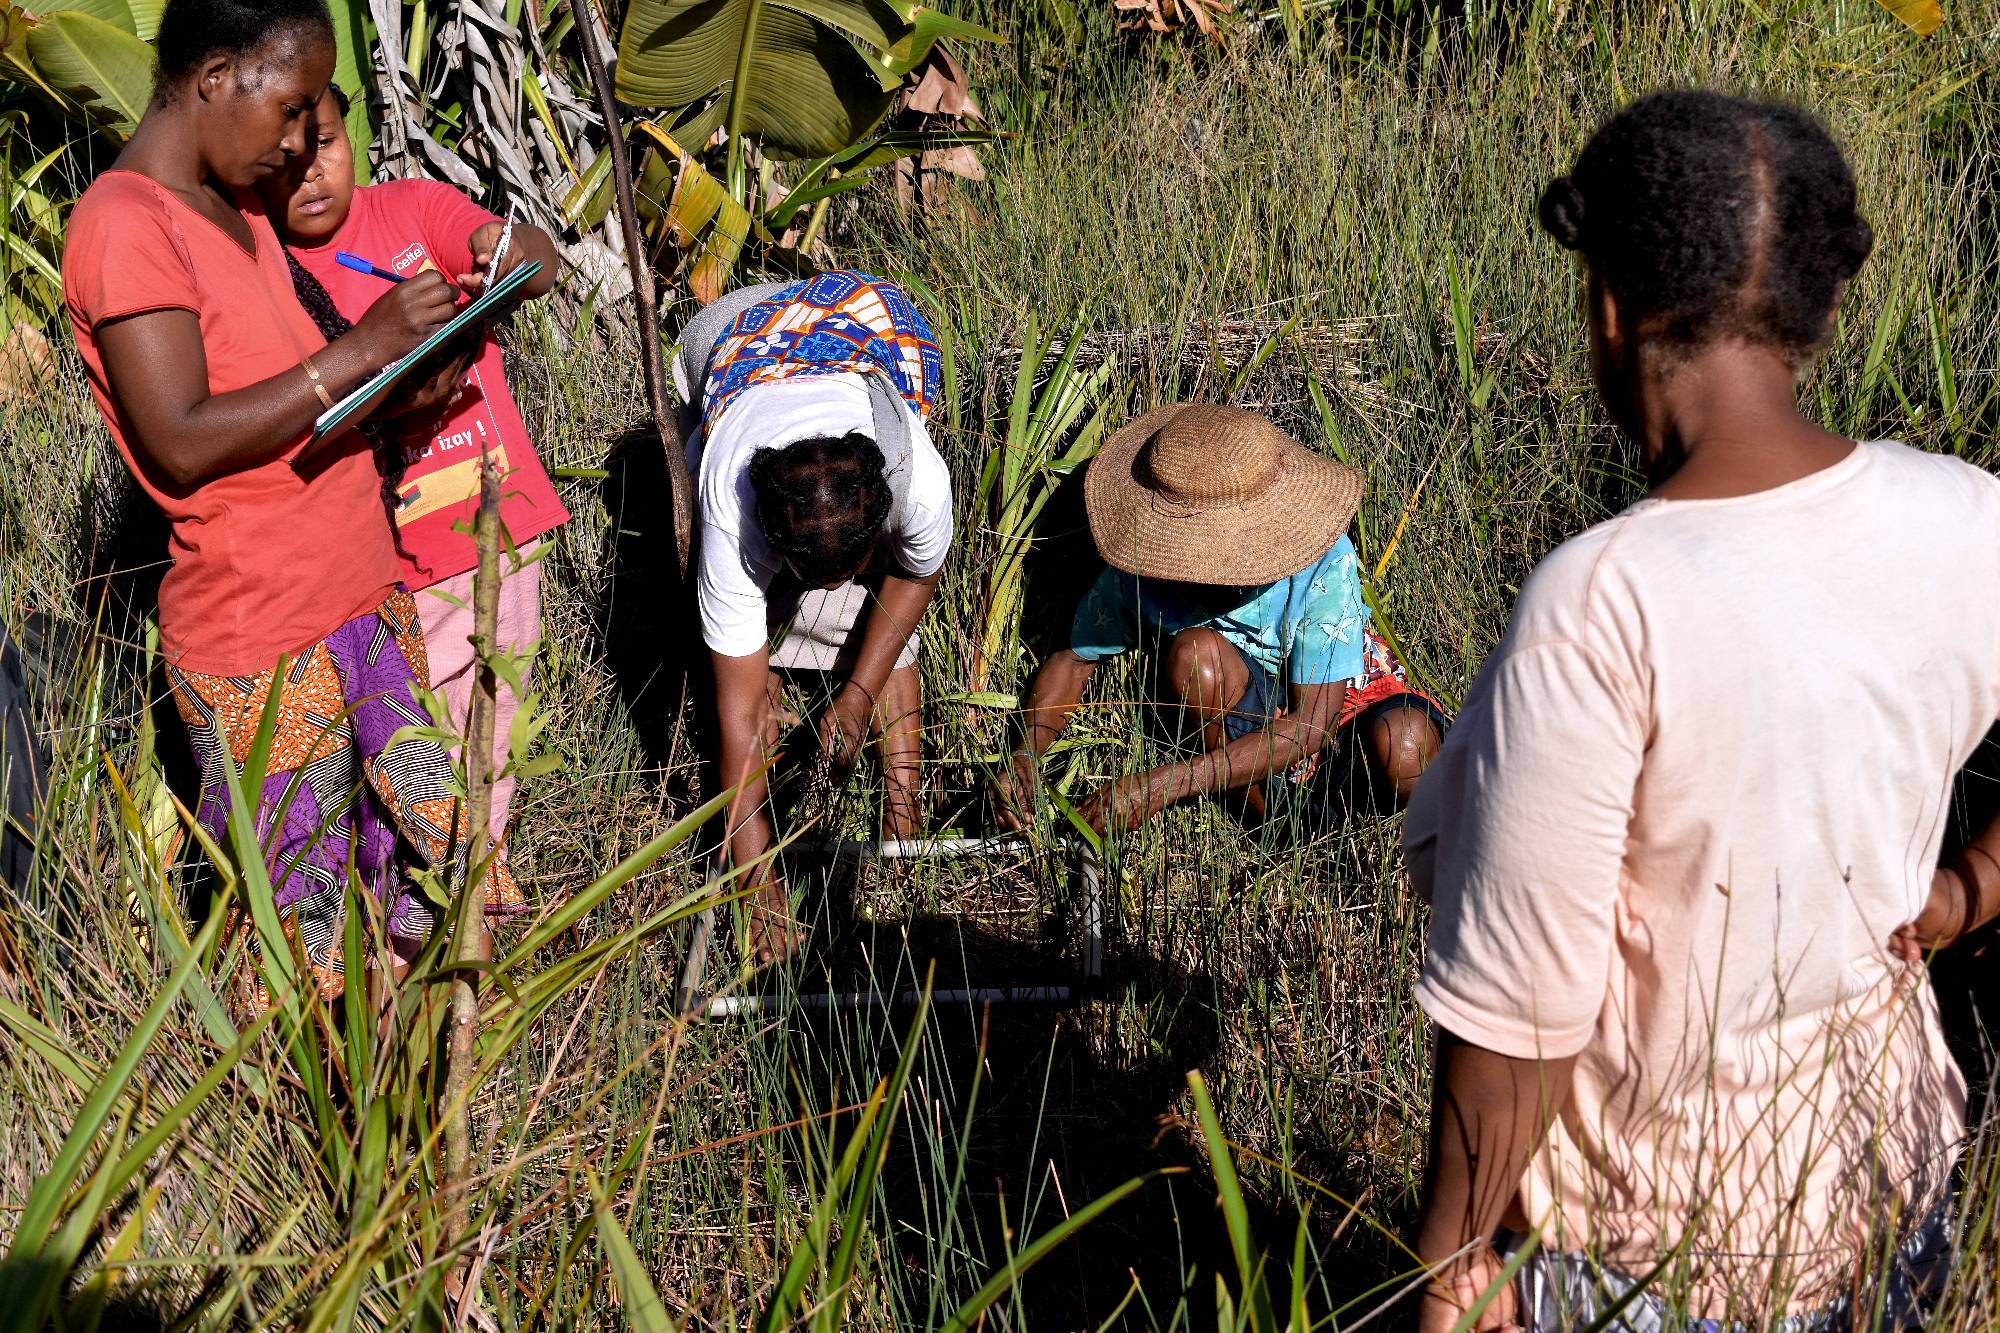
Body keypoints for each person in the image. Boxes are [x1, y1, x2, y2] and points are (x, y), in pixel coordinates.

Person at [1408, 90, 1999, 1332]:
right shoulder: (1966, 517)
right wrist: (1968, 888)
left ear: (1607, 314)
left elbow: (1518, 1016)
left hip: (1650, 1255)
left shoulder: (1602, 601)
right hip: (1892, 1201)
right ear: (1822, 311)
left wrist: (1449, 1264)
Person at [60, 0, 520, 1015]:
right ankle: (334, 1158)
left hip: (360, 595)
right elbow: (181, 438)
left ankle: (425, 1117)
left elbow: (281, 398)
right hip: (259, 637)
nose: (302, 137)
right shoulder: (124, 223)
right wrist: (357, 352)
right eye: (292, 105)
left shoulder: (241, 203)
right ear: (218, 75)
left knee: (429, 873)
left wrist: (398, 385)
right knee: (308, 939)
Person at [259, 84, 569, 861]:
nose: (312, 174)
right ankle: (410, 941)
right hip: (384, 569)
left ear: (348, 131)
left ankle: (469, 926)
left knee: (489, 750)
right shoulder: (266, 275)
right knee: (406, 765)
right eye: (284, 163)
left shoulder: (410, 206)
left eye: (326, 144)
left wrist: (502, 255)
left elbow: (534, 263)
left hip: (500, 530)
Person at [991, 403, 1445, 837]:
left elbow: (1312, 726)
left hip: (1339, 710)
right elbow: (1074, 660)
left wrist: (1160, 786)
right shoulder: (1149, 564)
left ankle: (1388, 833)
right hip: (1246, 717)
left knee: (1404, 744)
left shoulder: (1321, 559)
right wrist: (1026, 752)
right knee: (1194, 656)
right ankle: (1277, 826)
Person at [674, 272, 953, 963]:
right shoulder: (731, 501)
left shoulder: (914, 477)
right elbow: (734, 716)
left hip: (862, 323)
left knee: (885, 635)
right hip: (727, 342)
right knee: (738, 658)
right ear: (771, 540)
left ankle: (903, 815)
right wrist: (759, 885)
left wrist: (856, 696)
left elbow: (915, 573)